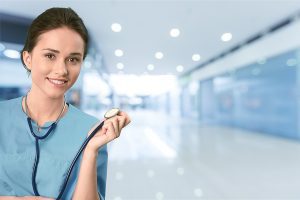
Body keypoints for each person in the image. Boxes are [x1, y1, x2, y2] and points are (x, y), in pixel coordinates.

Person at [0, 7, 130, 200]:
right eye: (50, 56)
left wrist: (90, 151)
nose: (62, 70)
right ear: (27, 59)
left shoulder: (92, 130)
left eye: (73, 59)